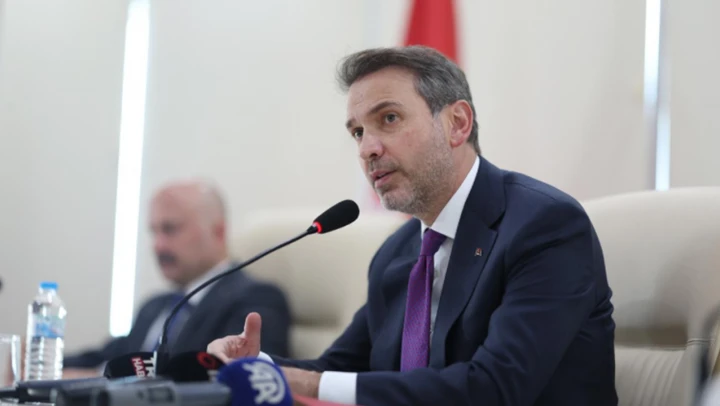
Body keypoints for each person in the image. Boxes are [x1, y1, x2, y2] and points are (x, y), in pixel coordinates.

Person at [208, 46, 617, 405]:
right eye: (357, 132)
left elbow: (495, 389)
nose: (367, 149)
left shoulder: (545, 227)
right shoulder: (397, 253)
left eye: (389, 118)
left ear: (457, 123)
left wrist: (306, 384)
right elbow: (340, 369)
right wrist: (256, 365)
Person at [63, 180, 291, 377]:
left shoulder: (256, 299)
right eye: (154, 231)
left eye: (170, 229)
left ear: (218, 231)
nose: (158, 245)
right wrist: (47, 364)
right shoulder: (155, 305)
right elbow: (106, 357)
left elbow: (228, 377)